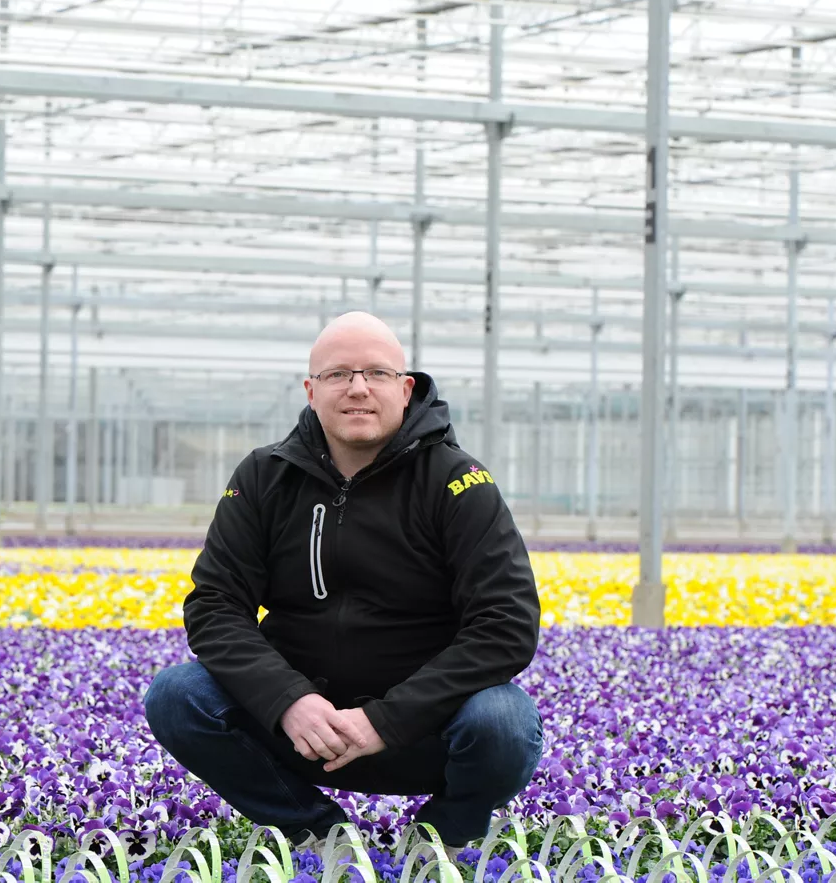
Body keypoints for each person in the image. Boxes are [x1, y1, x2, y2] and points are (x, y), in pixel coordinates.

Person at [145, 312, 542, 855]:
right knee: (178, 695)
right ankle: (316, 831)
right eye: (337, 375)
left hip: (424, 731)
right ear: (311, 391)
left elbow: (506, 624)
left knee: (504, 722)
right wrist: (288, 700)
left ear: (406, 390)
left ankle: (443, 835)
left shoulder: (457, 481)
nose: (358, 388)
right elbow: (215, 605)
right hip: (303, 729)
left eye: (376, 373)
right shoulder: (265, 477)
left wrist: (387, 718)